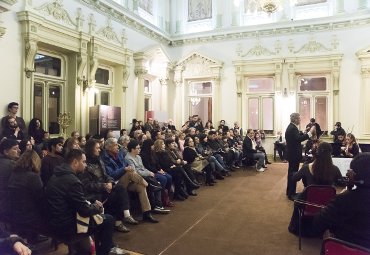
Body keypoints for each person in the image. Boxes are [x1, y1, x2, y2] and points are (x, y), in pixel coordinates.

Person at [45, 149, 127, 255]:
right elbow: (84, 211)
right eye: (83, 162)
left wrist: (90, 204)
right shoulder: (72, 180)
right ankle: (103, 251)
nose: (86, 165)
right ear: (75, 162)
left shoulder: (56, 175)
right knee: (108, 220)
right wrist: (97, 207)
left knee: (100, 215)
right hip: (67, 225)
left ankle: (103, 247)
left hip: (54, 221)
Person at [78, 139, 138, 234]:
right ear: (91, 149)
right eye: (97, 148)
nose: (100, 150)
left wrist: (110, 182)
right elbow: (87, 185)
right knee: (119, 193)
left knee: (120, 189)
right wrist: (104, 186)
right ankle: (120, 221)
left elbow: (106, 175)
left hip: (105, 189)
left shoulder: (99, 160)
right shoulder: (85, 165)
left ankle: (124, 217)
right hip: (95, 194)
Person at [313, 153, 370, 249]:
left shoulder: (343, 199)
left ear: (353, 175)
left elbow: (318, 222)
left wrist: (349, 190)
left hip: (346, 247)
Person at [101, 138, 158, 223]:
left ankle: (147, 213)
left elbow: (127, 166)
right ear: (109, 147)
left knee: (140, 187)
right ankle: (148, 184)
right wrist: (124, 169)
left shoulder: (119, 154)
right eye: (115, 145)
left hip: (126, 180)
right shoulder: (105, 158)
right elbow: (111, 175)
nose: (118, 147)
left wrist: (127, 168)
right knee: (129, 173)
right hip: (115, 182)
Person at [285, 113, 315, 200]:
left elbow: (296, 137)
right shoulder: (292, 128)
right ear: (295, 119)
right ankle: (291, 194)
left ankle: (290, 191)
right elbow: (298, 139)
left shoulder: (292, 127)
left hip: (292, 154)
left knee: (292, 173)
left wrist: (305, 132)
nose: (300, 120)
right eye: (299, 118)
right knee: (293, 174)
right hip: (293, 155)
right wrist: (310, 133)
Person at [0, 139, 20, 221]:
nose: (19, 150)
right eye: (15, 149)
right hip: (8, 203)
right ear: (6, 152)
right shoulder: (12, 165)